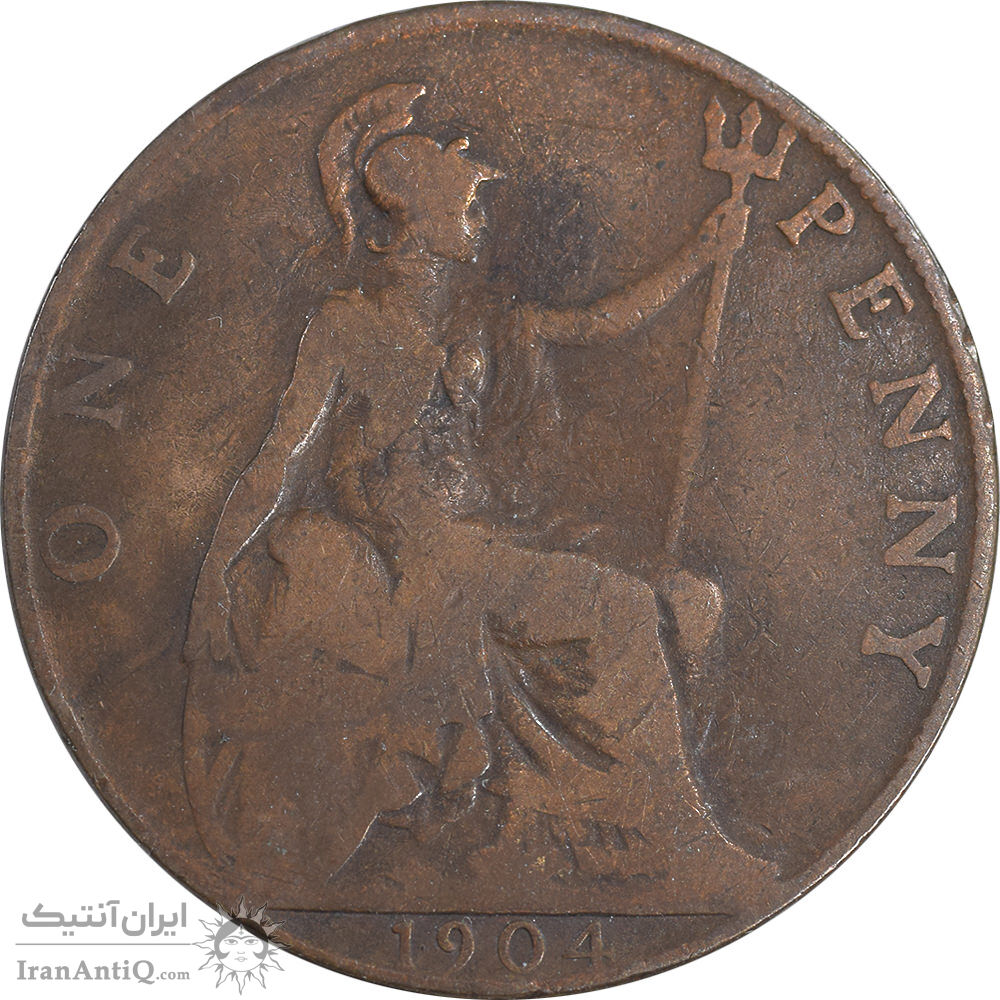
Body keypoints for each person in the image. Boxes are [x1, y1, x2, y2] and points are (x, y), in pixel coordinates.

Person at [182, 83, 774, 910]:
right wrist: (216, 572)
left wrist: (700, 257)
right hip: (426, 554)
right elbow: (280, 459)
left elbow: (599, 324)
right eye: (466, 204)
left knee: (692, 600)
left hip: (500, 529)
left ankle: (576, 822)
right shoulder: (347, 326)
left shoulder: (485, 317)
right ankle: (662, 840)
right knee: (622, 610)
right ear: (418, 219)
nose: (480, 218)